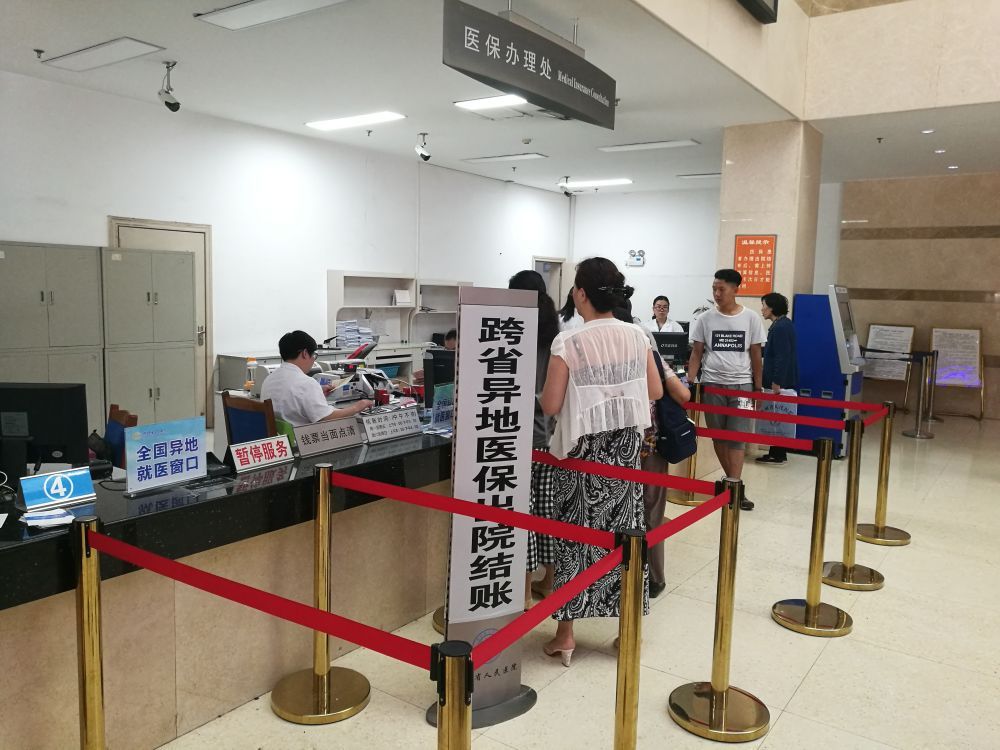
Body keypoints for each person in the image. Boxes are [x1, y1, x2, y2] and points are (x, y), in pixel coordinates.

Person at [540, 257, 663, 666]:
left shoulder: (568, 342)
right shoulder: (637, 335)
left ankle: (566, 636)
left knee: (575, 540)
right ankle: (628, 634)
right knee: (625, 541)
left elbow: (551, 404)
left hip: (582, 453)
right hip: (624, 452)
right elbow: (656, 391)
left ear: (580, 294)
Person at [613, 300, 691, 598]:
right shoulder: (652, 356)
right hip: (651, 445)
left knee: (616, 511)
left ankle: (617, 574)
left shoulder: (602, 356)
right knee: (652, 512)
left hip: (613, 448)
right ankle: (654, 578)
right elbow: (683, 394)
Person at [687, 269, 766, 510]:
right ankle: (734, 484)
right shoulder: (705, 319)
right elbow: (697, 353)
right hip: (712, 385)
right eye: (714, 289)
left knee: (738, 438)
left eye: (722, 289)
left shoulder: (751, 318)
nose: (717, 293)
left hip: (742, 386)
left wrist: (758, 388)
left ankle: (735, 487)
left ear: (735, 290)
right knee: (718, 436)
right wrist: (690, 382)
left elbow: (756, 355)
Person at [508, 270, 561, 608]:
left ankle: (524, 591)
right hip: (550, 438)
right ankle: (550, 583)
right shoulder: (556, 335)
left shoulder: (514, 333)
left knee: (523, 514)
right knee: (546, 511)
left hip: (520, 437)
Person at [260, 330, 372, 427]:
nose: (313, 360)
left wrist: (317, 392)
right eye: (314, 355)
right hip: (304, 440)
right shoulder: (306, 383)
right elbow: (327, 418)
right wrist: (358, 406)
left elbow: (291, 399)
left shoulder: (269, 379)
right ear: (305, 353)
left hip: (281, 439)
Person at [757, 292, 798, 465]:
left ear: (772, 307)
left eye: (764, 305)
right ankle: (776, 452)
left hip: (781, 381)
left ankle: (779, 454)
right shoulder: (782, 324)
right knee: (776, 414)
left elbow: (782, 356)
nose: (762, 309)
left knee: (778, 415)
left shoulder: (781, 327)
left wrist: (776, 381)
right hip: (781, 378)